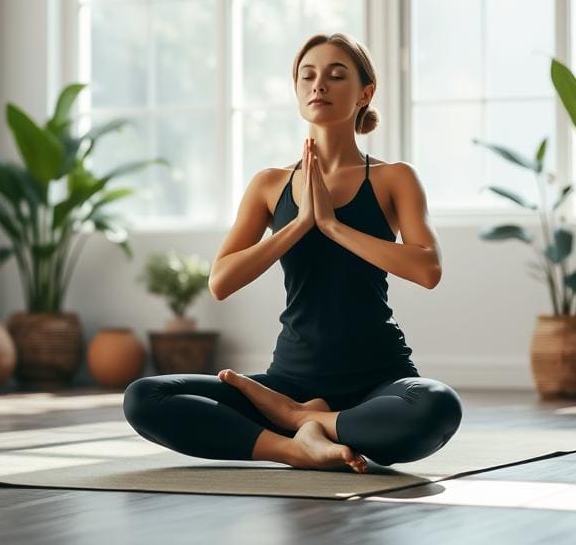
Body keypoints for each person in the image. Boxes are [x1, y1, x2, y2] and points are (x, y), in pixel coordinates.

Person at [123, 33, 462, 473]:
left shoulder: (394, 178)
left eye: (336, 75)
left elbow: (427, 268)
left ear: (365, 93)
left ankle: (304, 420)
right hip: (289, 379)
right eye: (308, 75)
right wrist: (300, 224)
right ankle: (294, 447)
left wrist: (334, 227)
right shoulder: (270, 183)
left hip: (377, 378)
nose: (319, 84)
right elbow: (220, 281)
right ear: (298, 90)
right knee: (145, 397)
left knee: (435, 406)